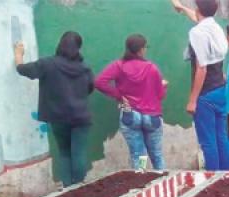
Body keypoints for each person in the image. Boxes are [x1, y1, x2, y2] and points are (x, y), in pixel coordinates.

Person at [14, 32, 94, 187]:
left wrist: (18, 55)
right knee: (78, 152)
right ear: (78, 48)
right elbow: (90, 87)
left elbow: (23, 69)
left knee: (64, 152)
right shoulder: (84, 68)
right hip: (81, 117)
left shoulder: (47, 64)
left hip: (58, 117)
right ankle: (80, 188)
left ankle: (68, 188)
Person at [95, 34, 168, 170]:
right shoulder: (152, 68)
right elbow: (160, 95)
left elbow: (99, 82)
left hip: (130, 115)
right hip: (152, 117)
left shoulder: (119, 66)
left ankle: (142, 180)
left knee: (139, 155)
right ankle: (163, 182)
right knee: (157, 155)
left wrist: (119, 96)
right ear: (141, 50)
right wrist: (163, 85)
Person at [171, 0, 229, 170]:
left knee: (208, 142)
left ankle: (212, 180)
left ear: (198, 9)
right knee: (220, 138)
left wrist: (193, 99)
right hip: (220, 89)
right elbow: (200, 20)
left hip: (206, 92)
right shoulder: (215, 27)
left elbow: (201, 68)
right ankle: (225, 178)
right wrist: (181, 8)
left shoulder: (197, 32)